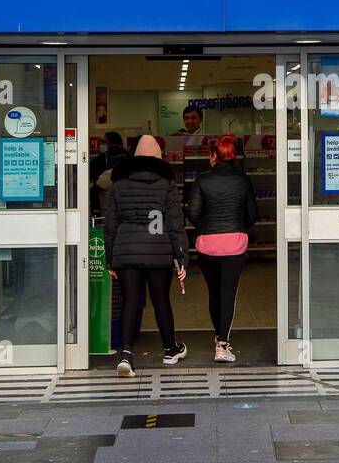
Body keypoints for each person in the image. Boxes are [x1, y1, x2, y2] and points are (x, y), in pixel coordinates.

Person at [103, 134, 188, 377]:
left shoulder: (118, 184)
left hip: (127, 249)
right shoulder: (166, 183)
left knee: (130, 300)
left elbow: (111, 223)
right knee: (161, 299)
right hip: (159, 250)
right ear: (158, 157)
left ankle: (126, 355)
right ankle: (170, 349)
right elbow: (174, 223)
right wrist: (181, 257)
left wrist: (110, 257)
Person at [186, 133, 258, 363]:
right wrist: (237, 227)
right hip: (234, 244)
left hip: (208, 245)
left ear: (214, 156)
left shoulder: (202, 180)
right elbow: (252, 214)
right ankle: (222, 346)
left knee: (214, 294)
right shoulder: (243, 180)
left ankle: (218, 337)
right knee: (228, 295)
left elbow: (193, 212)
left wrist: (207, 227)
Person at [88, 131, 129, 214]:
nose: (103, 144)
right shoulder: (124, 151)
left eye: (104, 141)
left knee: (93, 191)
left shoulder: (112, 151)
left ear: (110, 141)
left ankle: (96, 212)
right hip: (121, 179)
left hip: (112, 176)